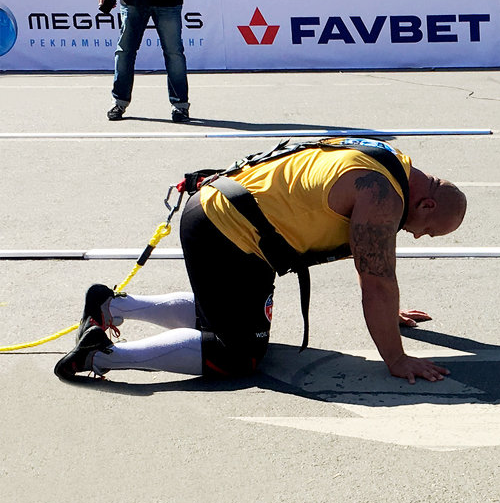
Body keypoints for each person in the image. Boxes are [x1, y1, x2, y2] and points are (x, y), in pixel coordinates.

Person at [55, 138, 467, 384]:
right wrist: (396, 358)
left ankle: (110, 305)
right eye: (427, 230)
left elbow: (377, 262)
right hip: (227, 232)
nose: (416, 235)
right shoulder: (381, 196)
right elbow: (375, 278)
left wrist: (391, 314)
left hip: (232, 214)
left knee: (224, 313)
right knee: (235, 354)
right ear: (427, 203)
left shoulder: (390, 160)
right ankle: (100, 355)